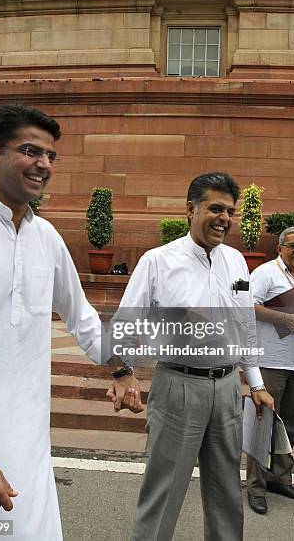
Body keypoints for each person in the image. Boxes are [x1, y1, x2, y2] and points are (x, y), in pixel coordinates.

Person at [0, 104, 127, 540]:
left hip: (29, 445)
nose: (43, 164)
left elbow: (82, 316)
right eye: (30, 150)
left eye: (50, 155)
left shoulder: (46, 237)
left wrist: (119, 368)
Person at [106, 172, 274, 541]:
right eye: (215, 208)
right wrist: (123, 372)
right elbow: (123, 325)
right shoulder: (158, 261)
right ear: (190, 209)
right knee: (164, 490)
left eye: (230, 211)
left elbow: (245, 326)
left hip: (229, 388)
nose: (224, 218)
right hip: (178, 386)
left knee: (227, 491)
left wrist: (256, 383)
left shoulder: (236, 262)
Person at [246, 227, 294, 515]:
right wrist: (284, 316)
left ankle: (279, 479)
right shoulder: (265, 273)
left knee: (290, 426)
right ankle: (256, 488)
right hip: (270, 362)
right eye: (293, 246)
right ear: (280, 248)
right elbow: (248, 305)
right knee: (264, 427)